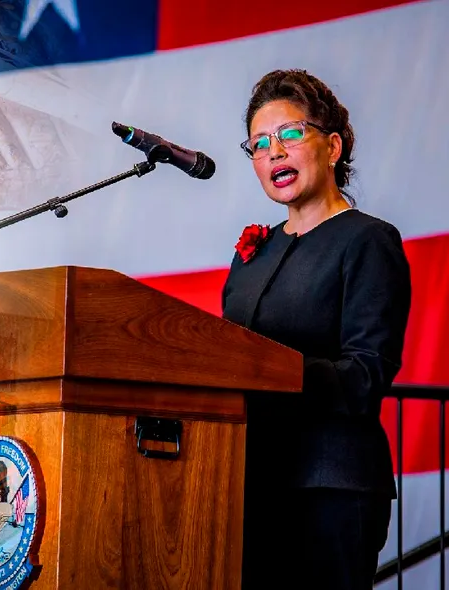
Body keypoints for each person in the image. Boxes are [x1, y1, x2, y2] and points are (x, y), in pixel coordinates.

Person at [221, 69, 411, 589]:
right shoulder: (251, 255)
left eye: (289, 134)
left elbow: (367, 373)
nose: (274, 152)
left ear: (331, 146)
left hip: (330, 487)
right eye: (259, 144)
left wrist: (269, 370)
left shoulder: (368, 240)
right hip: (247, 482)